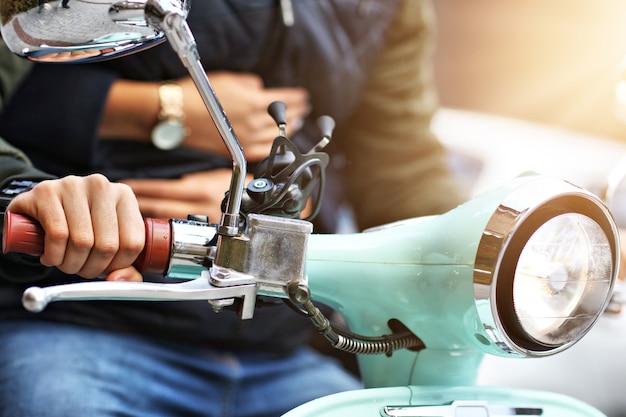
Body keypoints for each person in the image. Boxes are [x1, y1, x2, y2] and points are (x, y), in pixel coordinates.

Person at [0, 1, 467, 416]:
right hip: (82, 320)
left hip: (285, 341)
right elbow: (20, 86)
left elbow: (398, 164)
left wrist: (473, 240)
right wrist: (155, 112)